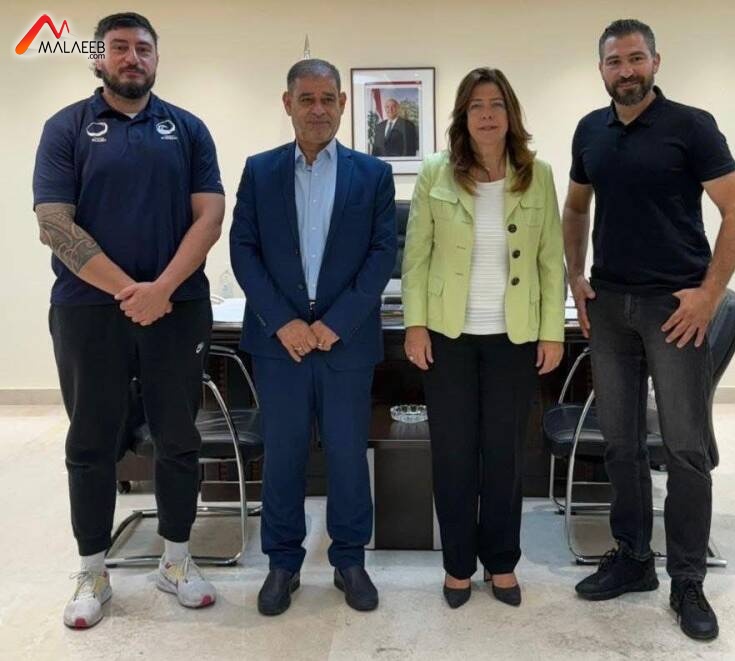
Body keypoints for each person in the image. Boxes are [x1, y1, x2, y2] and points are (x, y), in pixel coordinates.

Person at [33, 12, 225, 629]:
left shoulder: (187, 129)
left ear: (156, 59)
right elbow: (54, 224)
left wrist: (161, 289)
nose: (132, 58)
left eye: (143, 48)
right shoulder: (66, 128)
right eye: (119, 47)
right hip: (89, 311)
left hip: (177, 309)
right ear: (98, 58)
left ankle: (176, 560)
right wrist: (129, 291)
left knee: (179, 437)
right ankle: (93, 571)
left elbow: (210, 216)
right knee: (91, 440)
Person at [563, 19, 735, 641]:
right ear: (601, 69)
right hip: (610, 307)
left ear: (655, 61)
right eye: (614, 61)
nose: (626, 70)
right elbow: (576, 206)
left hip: (674, 311)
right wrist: (575, 275)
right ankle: (633, 558)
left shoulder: (691, 126)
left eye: (636, 58)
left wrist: (709, 295)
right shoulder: (590, 130)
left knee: (685, 450)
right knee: (620, 445)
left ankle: (688, 580)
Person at [230, 58, 396, 616]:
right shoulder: (259, 171)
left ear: (343, 104)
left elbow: (382, 256)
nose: (318, 109)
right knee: (283, 457)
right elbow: (243, 250)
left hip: (345, 344)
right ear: (288, 104)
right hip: (279, 346)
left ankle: (350, 560)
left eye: (328, 99)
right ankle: (282, 563)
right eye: (307, 99)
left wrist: (333, 323)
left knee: (348, 457)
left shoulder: (372, 174)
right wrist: (284, 322)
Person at [402, 67, 565, 609]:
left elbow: (550, 261)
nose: (487, 114)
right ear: (463, 116)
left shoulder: (537, 174)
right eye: (476, 105)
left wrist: (551, 332)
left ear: (510, 113)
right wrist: (415, 324)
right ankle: (457, 565)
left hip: (513, 339)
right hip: (448, 336)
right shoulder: (436, 172)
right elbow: (416, 256)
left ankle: (501, 562)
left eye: (496, 104)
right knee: (452, 455)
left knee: (504, 457)